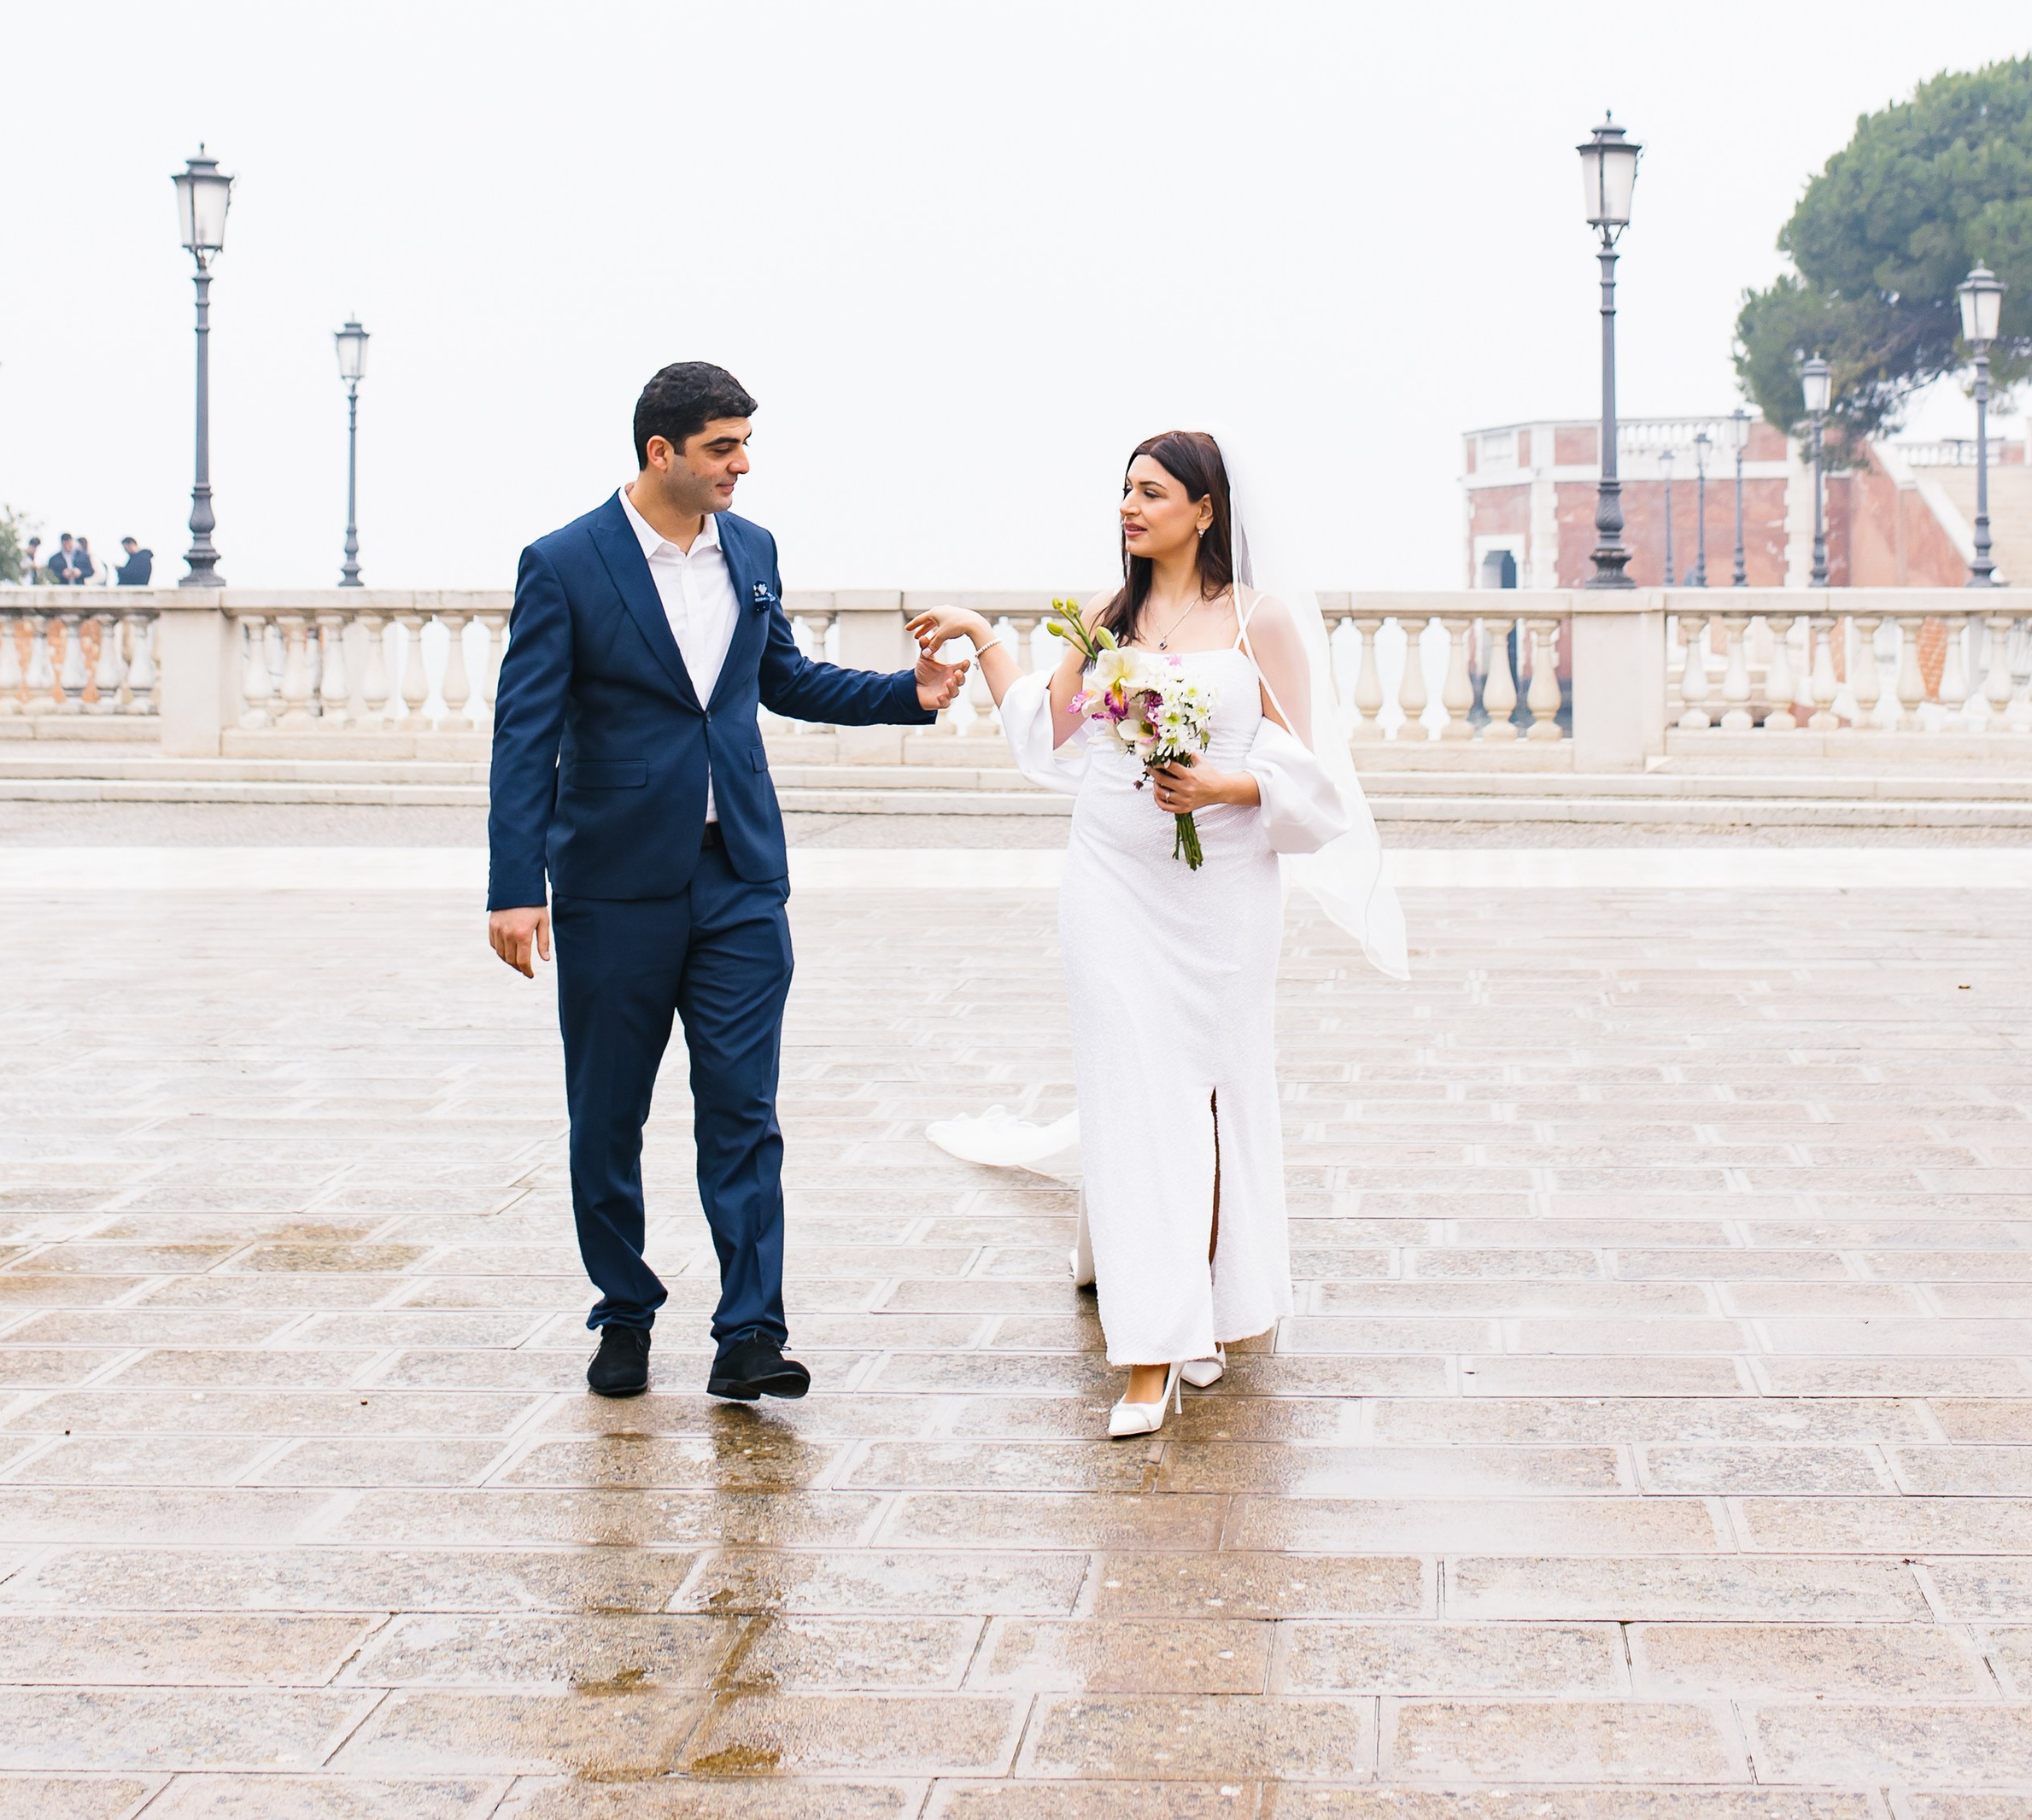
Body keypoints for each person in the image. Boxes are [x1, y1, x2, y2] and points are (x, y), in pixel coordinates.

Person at [487, 360, 968, 1408]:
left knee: (743, 1111)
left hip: (740, 878)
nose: (741, 465)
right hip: (613, 883)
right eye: (722, 446)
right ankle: (623, 1311)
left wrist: (909, 693)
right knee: (606, 1117)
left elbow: (779, 676)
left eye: (745, 444)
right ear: (660, 451)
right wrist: (514, 882)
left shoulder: (752, 550)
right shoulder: (563, 563)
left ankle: (751, 1332)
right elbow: (524, 732)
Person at [911, 428, 1407, 1439]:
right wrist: (984, 637)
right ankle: (1148, 1352)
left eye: (1150, 492)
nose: (1129, 508)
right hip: (1108, 881)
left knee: (1209, 1095)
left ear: (1204, 509)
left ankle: (1210, 1306)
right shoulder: (1105, 618)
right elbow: (1046, 731)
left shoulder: (1258, 621)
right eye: (1125, 491)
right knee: (1130, 1093)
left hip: (1222, 892)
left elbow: (1311, 776)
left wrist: (1227, 783)